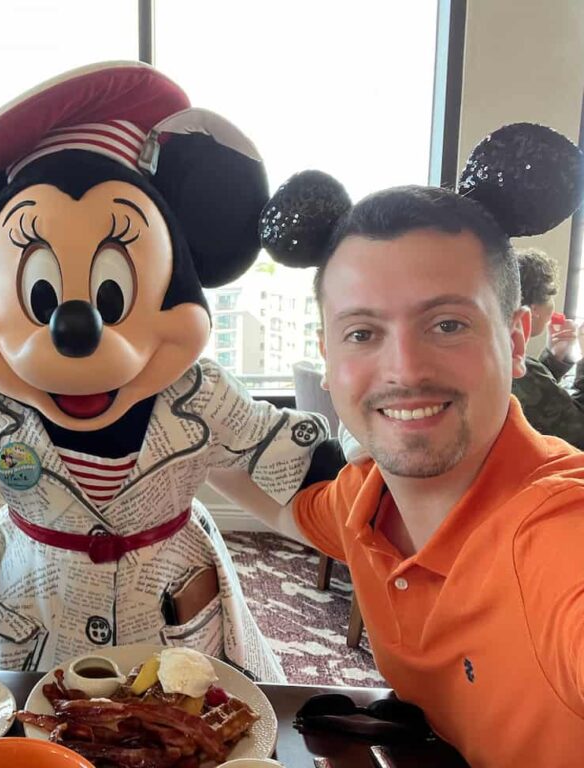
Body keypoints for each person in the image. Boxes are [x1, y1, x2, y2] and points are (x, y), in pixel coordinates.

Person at [0, 62, 330, 678]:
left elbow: (281, 450)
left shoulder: (201, 394)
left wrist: (379, 509)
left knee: (179, 726)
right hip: (29, 615)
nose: (77, 329)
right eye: (41, 298)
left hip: (171, 610)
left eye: (112, 295)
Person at [209, 123, 584, 767]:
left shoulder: (554, 530)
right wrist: (178, 441)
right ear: (328, 358)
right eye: (362, 333)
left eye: (447, 324)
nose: (405, 369)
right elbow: (281, 514)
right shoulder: (365, 502)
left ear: (517, 340)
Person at [510, 246, 584, 446]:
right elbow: (580, 431)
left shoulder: (503, 355)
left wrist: (553, 359)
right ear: (533, 310)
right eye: (552, 297)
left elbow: (535, 402)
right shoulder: (521, 371)